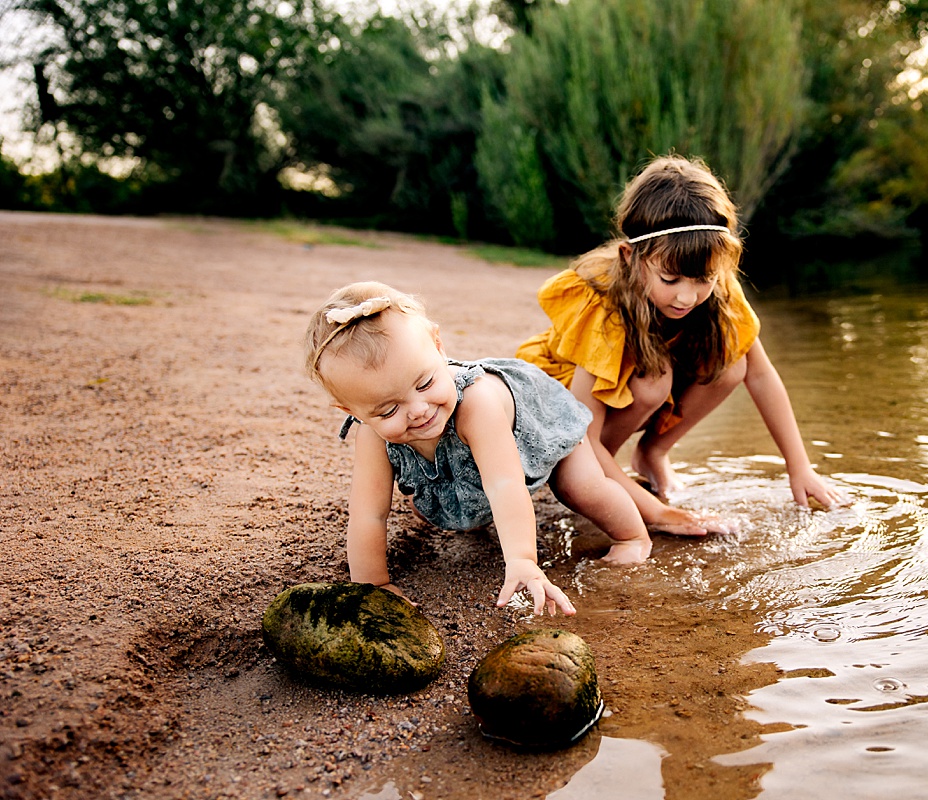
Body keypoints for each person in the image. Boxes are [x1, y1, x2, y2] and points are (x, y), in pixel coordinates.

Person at [517, 155, 840, 532]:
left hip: (627, 398)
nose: (687, 297)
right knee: (653, 381)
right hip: (567, 419)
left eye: (702, 279)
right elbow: (580, 434)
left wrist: (799, 468)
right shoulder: (602, 305)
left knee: (734, 362)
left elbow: (762, 375)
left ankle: (652, 454)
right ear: (631, 257)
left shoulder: (714, 284)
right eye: (670, 280)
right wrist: (659, 515)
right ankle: (601, 478)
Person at [304, 281, 652, 617]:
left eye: (425, 383)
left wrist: (522, 560)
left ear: (438, 346)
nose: (419, 409)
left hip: (537, 423)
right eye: (389, 410)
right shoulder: (372, 434)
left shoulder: (475, 403)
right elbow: (368, 513)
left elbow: (505, 485)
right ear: (353, 412)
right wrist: (372, 583)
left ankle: (634, 536)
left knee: (580, 487)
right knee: (429, 505)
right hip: (470, 461)